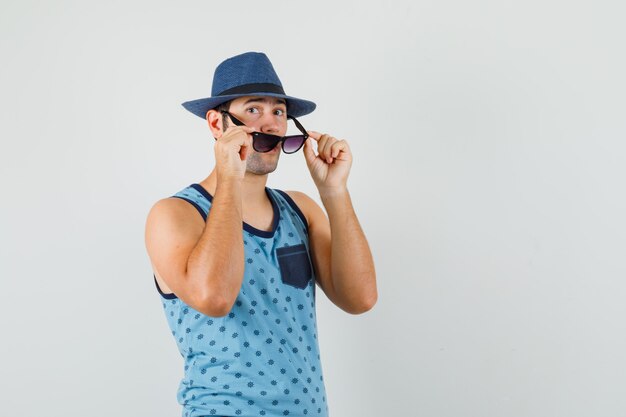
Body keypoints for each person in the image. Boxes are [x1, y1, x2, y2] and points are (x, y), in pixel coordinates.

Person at [144, 51, 377, 417]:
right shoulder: (175, 214)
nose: (269, 123)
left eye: (279, 112)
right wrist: (231, 178)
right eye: (254, 109)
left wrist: (334, 192)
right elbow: (215, 298)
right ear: (218, 124)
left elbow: (360, 298)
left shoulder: (300, 210)